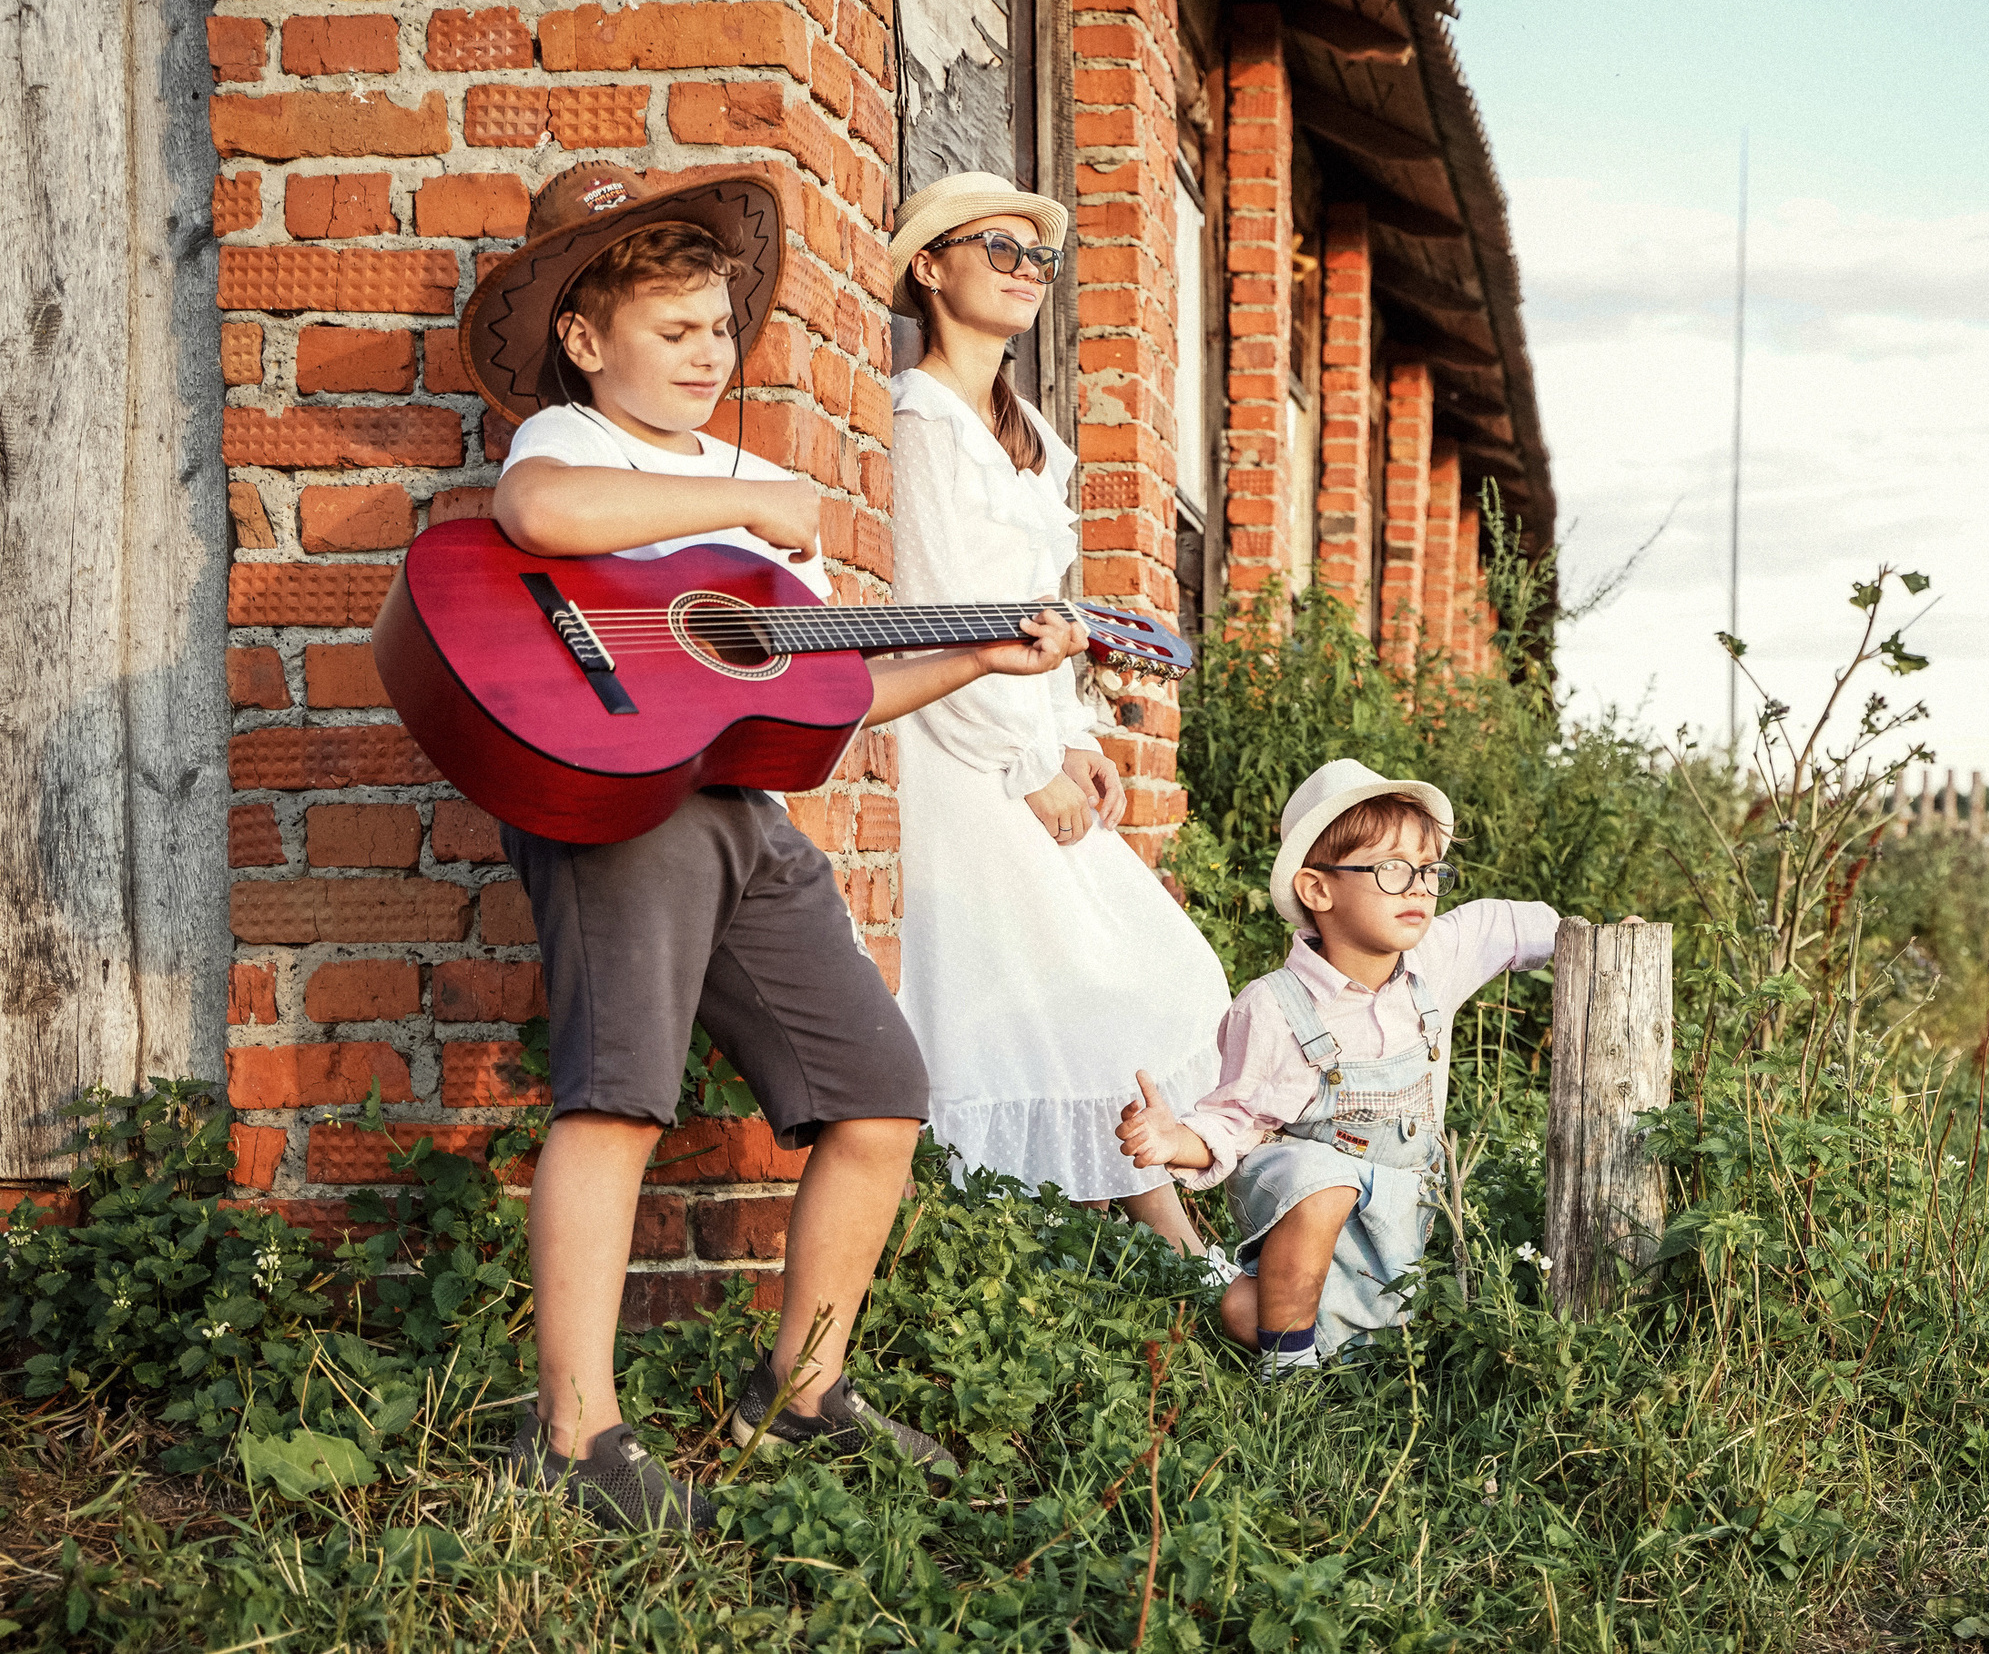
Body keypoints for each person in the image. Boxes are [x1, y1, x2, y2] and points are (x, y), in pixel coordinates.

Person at [457, 161, 1090, 1530]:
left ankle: (800, 1390)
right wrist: (743, 511)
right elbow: (539, 523)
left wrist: (977, 647)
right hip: (619, 800)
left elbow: (821, 688)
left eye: (718, 329)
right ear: (586, 340)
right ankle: (573, 1435)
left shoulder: (747, 472)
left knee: (881, 1087)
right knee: (617, 1091)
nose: (706, 354)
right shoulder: (574, 447)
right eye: (672, 330)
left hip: (742, 807)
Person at [880, 171, 1234, 1257]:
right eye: (1000, 249)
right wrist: (1016, 764)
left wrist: (1073, 735)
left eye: (1040, 258)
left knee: (1138, 970)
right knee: (1054, 996)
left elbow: (1051, 610)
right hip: (956, 750)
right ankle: (1128, 1248)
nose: (1029, 272)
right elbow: (935, 608)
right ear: (930, 268)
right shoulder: (923, 421)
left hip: (1028, 740)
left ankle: (1147, 1235)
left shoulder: (1023, 429)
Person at [1114, 760, 1605, 1377]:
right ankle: (1288, 1376)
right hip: (1308, 1204)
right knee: (1324, 1179)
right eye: (1392, 870)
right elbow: (1233, 1120)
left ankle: (1309, 1324)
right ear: (1318, 890)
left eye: (1428, 872)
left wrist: (1596, 939)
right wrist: (1173, 1140)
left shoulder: (1433, 961)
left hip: (1399, 1215)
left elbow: (1503, 925)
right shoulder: (1275, 1006)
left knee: (1248, 1313)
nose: (1418, 889)